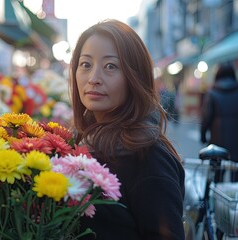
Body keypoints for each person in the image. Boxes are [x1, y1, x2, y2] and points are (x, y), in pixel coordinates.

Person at [69, 19, 185, 240]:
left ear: (135, 77)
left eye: (111, 66)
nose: (93, 79)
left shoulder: (149, 157)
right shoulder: (80, 140)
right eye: (85, 64)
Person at [200, 63, 238, 182]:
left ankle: (216, 199)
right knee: (236, 174)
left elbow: (206, 117)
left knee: (217, 174)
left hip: (218, 138)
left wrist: (203, 135)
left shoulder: (212, 93)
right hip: (237, 139)